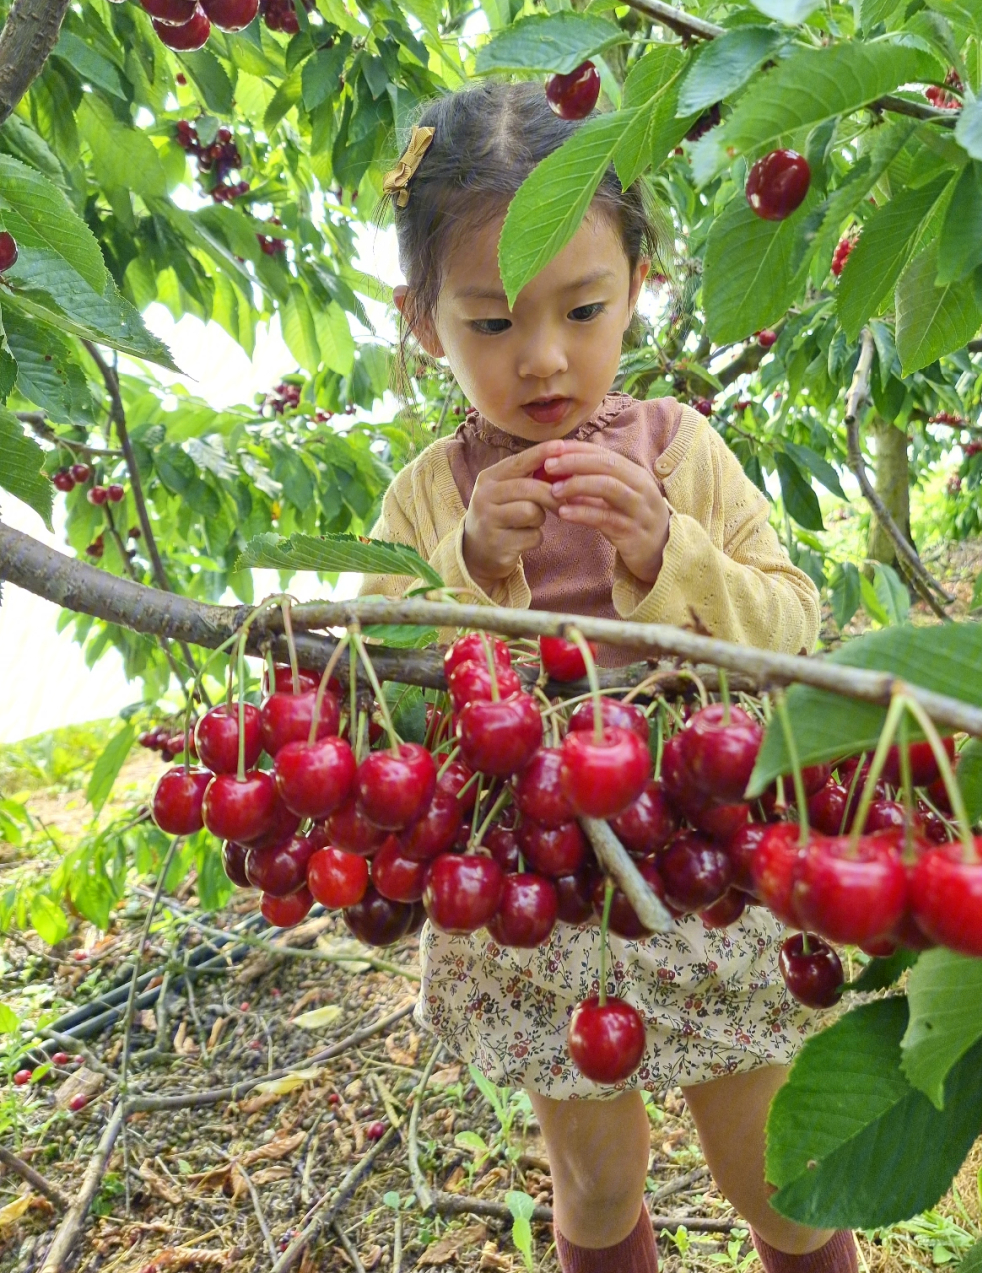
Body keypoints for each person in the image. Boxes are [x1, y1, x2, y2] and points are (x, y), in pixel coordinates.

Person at [360, 81, 855, 1273]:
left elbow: (796, 627)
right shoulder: (434, 493)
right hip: (533, 895)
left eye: (582, 308)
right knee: (590, 1183)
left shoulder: (680, 449)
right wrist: (468, 563)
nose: (542, 358)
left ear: (639, 279)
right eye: (489, 324)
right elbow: (383, 690)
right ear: (421, 322)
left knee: (773, 1174)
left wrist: (666, 551)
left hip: (704, 867)